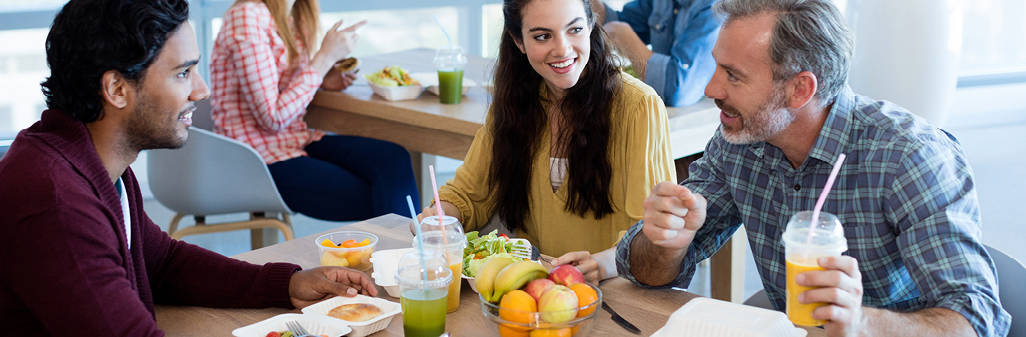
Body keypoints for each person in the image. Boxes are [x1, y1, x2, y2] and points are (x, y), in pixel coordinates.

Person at [615, 0, 1011, 336]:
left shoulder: (910, 158)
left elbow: (977, 319)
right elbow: (650, 274)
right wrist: (666, 242)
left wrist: (862, 323)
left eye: (733, 75)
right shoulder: (739, 141)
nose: (710, 89)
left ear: (800, 89)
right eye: (718, 67)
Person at [0, 1, 377, 335]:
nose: (201, 91)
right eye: (183, 73)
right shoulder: (56, 201)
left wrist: (288, 283)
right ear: (116, 89)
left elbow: (162, 263)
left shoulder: (95, 164)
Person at [418, 0, 676, 283]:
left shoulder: (640, 106)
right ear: (519, 41)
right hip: (531, 290)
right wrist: (440, 219)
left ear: (591, 25)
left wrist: (604, 264)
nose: (563, 49)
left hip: (615, 295)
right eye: (543, 36)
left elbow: (652, 233)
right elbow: (468, 194)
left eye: (575, 29)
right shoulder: (514, 103)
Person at [210, 0, 420, 221]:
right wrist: (325, 57)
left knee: (394, 159)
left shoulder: (295, 14)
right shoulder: (246, 17)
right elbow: (273, 118)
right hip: (257, 159)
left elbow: (279, 86)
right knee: (386, 196)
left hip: (295, 140)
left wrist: (323, 79)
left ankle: (404, 251)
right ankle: (408, 252)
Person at [589, 0, 721, 107]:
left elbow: (678, 91)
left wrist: (626, 38)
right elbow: (618, 21)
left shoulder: (715, 6)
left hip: (698, 126)